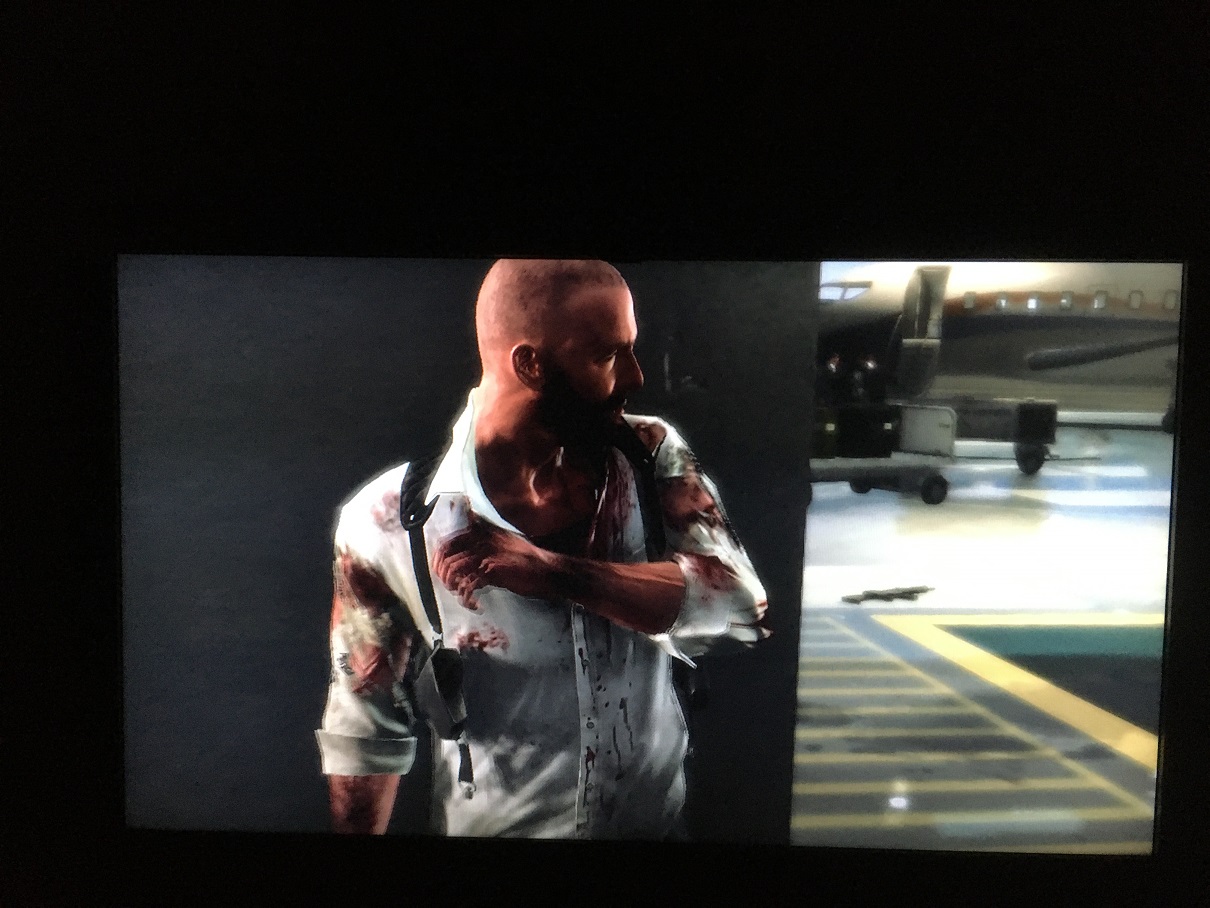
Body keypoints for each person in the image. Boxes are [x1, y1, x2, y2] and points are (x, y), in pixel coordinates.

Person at [315, 259, 769, 839]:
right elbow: (365, 733)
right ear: (530, 364)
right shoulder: (388, 521)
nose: (635, 376)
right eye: (607, 355)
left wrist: (555, 572)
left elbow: (743, 609)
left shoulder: (648, 454)